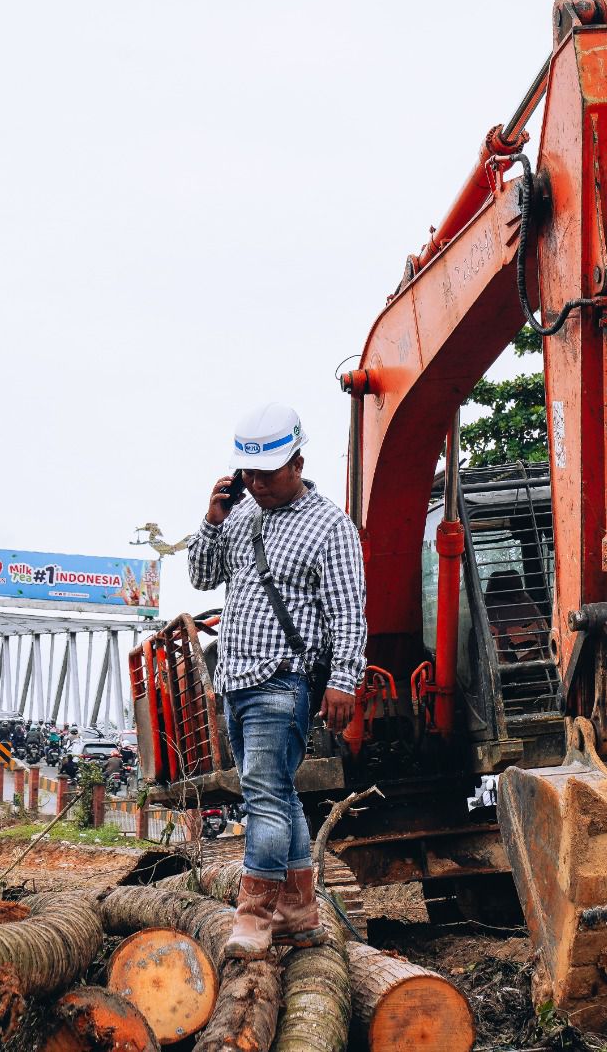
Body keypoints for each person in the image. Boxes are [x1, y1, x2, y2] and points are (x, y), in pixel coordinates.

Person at [189, 402, 367, 960]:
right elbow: (201, 577)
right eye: (249, 475)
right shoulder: (241, 514)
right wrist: (212, 521)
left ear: (297, 462)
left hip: (281, 683)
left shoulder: (329, 526)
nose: (257, 485)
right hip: (235, 681)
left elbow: (350, 612)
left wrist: (344, 681)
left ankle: (254, 919)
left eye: (267, 474)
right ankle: (299, 915)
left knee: (262, 801)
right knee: (280, 795)